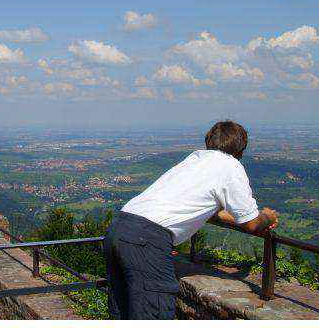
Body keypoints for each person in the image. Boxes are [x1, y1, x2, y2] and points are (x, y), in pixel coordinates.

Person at [104, 120, 279, 320]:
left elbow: (211, 212)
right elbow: (252, 223)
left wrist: (238, 218)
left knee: (123, 312)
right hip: (146, 239)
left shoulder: (194, 160)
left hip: (120, 227)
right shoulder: (230, 166)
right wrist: (267, 216)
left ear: (209, 142)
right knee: (153, 314)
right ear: (240, 148)